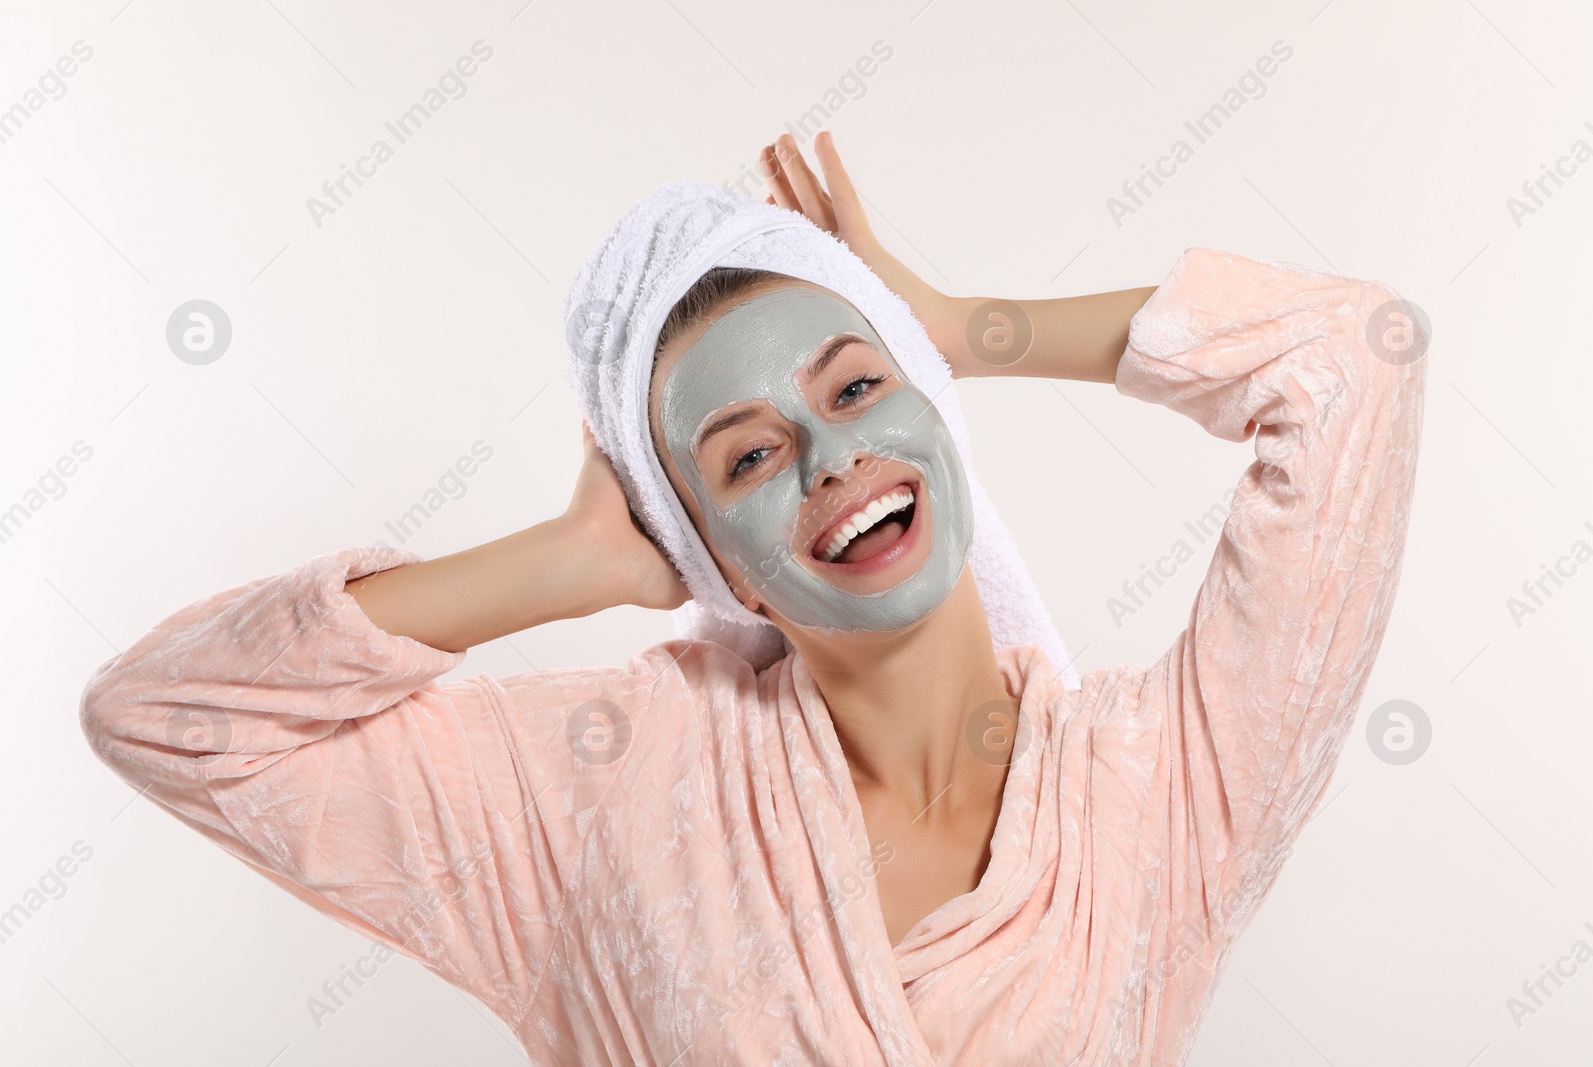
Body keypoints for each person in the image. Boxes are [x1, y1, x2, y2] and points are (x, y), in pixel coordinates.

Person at [79, 132, 1428, 1065]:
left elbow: (1354, 360)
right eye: (748, 456)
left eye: (858, 385)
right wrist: (570, 564)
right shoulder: (608, 789)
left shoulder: (1166, 789)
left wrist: (968, 329)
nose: (834, 455)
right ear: (707, 555)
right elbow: (169, 719)